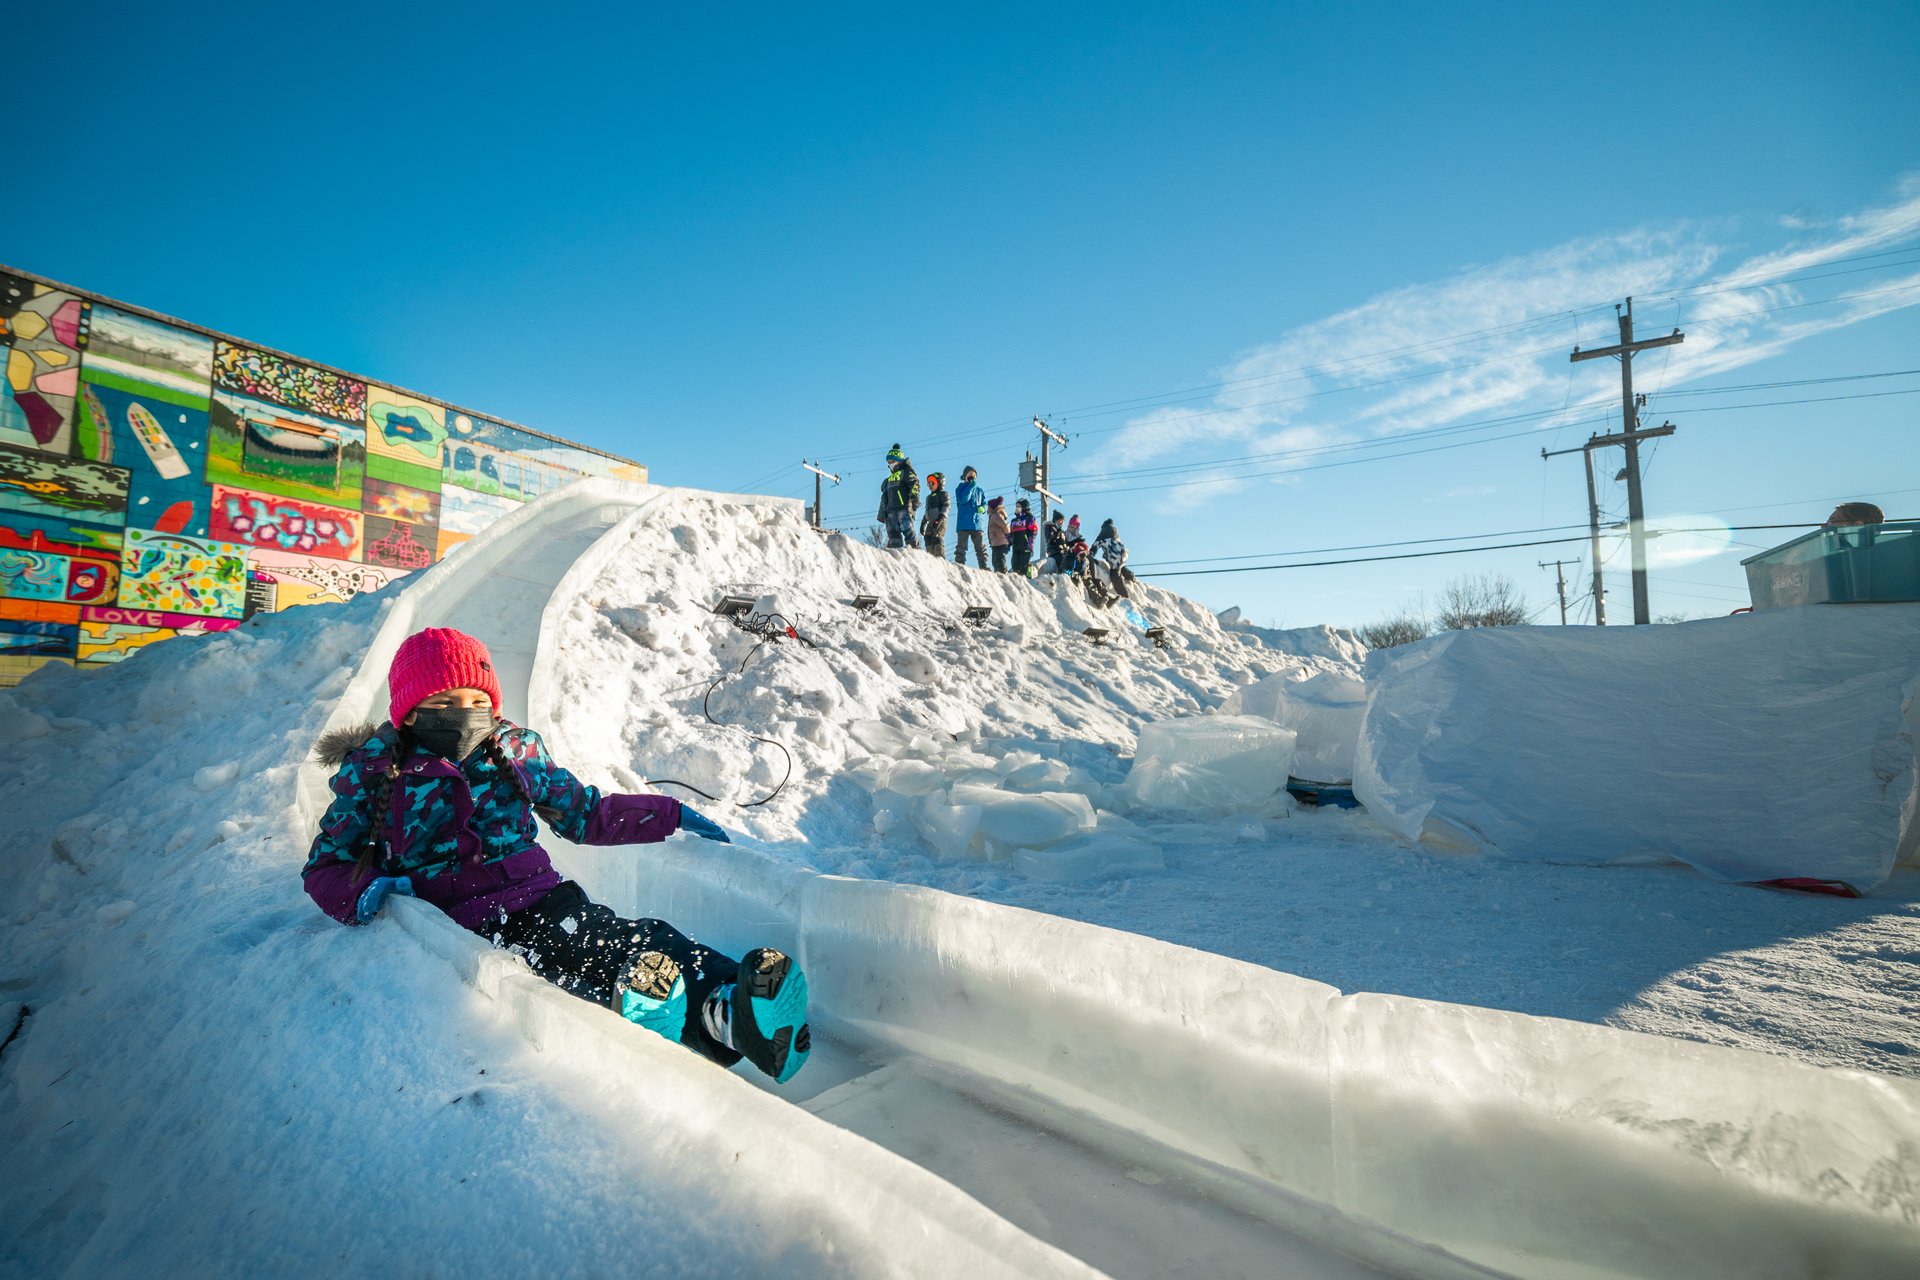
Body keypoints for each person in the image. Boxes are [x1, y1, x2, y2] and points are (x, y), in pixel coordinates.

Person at [303, 627, 811, 1085]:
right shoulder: (376, 775)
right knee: (564, 962)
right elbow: (325, 865)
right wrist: (365, 892)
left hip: (543, 897)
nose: (465, 712)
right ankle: (656, 1012)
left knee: (633, 937)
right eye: (446, 701)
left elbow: (585, 814)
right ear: (410, 711)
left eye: (476, 698)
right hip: (461, 921)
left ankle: (735, 1006)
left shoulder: (516, 752)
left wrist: (667, 813)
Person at [878, 444, 920, 549]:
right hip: (891, 510)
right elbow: (884, 496)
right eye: (889, 463)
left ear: (899, 461)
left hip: (904, 507)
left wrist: (915, 497)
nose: (891, 465)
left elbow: (914, 483)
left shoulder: (906, 472)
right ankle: (894, 551)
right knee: (892, 532)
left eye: (892, 462)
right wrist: (882, 513)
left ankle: (914, 549)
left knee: (908, 529)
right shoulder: (888, 480)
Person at [952, 466, 988, 568]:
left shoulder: (980, 490)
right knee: (961, 547)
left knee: (980, 548)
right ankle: (959, 565)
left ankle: (984, 566)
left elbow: (985, 503)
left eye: (974, 475)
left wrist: (983, 508)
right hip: (963, 524)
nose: (972, 477)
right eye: (969, 474)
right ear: (964, 477)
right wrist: (970, 487)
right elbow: (963, 499)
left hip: (977, 524)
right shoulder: (960, 488)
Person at [1092, 518, 1130, 599]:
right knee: (1121, 567)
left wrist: (1090, 555)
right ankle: (1130, 576)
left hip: (1114, 558)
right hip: (1123, 555)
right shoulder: (1115, 531)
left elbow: (1095, 546)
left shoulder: (1103, 534)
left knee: (1115, 576)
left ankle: (1124, 596)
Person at [920, 471, 949, 560]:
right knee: (927, 537)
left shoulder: (943, 494)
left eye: (932, 483)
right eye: (928, 484)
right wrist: (923, 523)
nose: (930, 485)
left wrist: (940, 519)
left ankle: (939, 557)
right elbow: (927, 511)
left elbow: (946, 506)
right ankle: (931, 557)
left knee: (937, 537)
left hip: (939, 521)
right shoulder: (929, 497)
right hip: (930, 522)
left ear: (940, 483)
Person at [1008, 499, 1039, 577]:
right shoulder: (1013, 521)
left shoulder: (1030, 518)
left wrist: (1030, 544)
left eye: (1019, 506)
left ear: (1024, 507)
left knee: (1024, 567)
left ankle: (1029, 580)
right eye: (1016, 506)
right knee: (1015, 566)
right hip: (1016, 547)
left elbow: (1033, 532)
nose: (1017, 508)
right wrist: (1008, 544)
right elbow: (1011, 534)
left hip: (1025, 546)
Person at [986, 496, 1010, 573]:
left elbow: (1005, 526)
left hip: (1000, 543)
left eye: (988, 507)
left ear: (992, 507)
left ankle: (1003, 575)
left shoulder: (996, 515)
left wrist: (1007, 536)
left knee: (1000, 561)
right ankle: (999, 576)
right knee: (995, 561)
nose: (987, 509)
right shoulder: (993, 515)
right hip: (996, 543)